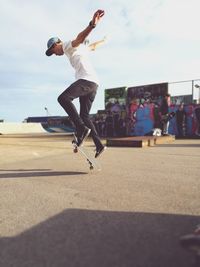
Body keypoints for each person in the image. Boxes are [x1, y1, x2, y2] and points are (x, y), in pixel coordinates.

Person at [45, 10, 106, 158]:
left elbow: (80, 37)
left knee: (63, 98)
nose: (55, 54)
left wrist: (92, 25)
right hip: (94, 84)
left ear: (55, 45)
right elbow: (93, 46)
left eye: (53, 52)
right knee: (84, 116)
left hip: (86, 80)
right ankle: (99, 145)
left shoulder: (66, 45)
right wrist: (105, 40)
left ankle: (81, 130)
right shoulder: (81, 49)